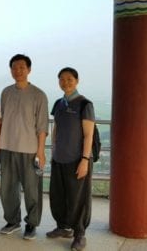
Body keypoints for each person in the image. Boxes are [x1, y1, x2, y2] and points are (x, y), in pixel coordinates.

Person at [0, 54, 48, 240]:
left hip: (30, 150)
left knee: (32, 190)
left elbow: (42, 126)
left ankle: (31, 223)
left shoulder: (39, 95)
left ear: (29, 69)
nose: (18, 71)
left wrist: (41, 152)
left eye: (21, 67)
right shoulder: (6, 92)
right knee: (7, 189)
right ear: (10, 70)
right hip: (7, 147)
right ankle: (12, 221)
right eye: (14, 67)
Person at [46, 67, 95, 251]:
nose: (65, 82)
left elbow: (88, 135)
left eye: (69, 79)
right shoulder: (59, 103)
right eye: (62, 79)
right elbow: (56, 127)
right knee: (58, 195)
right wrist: (53, 150)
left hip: (77, 159)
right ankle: (63, 227)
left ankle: (80, 234)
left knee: (78, 198)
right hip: (59, 158)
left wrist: (84, 159)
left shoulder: (84, 104)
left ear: (77, 80)